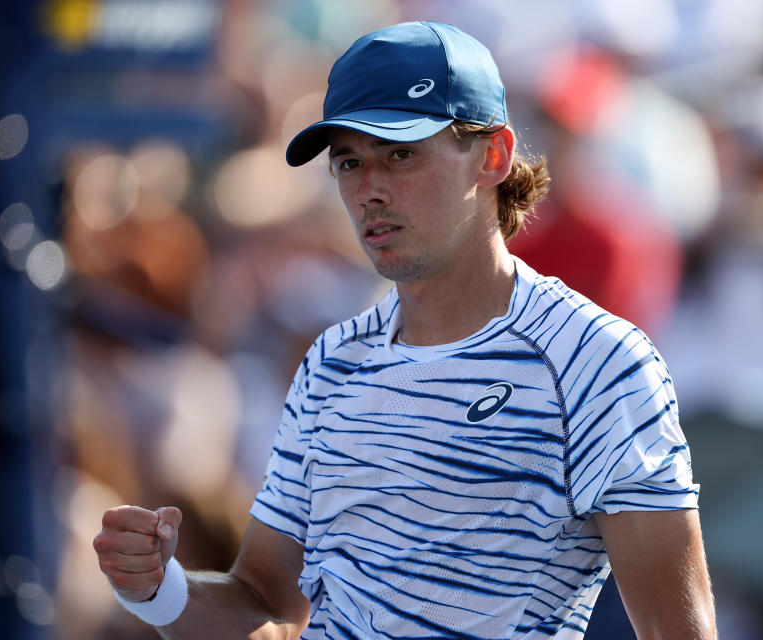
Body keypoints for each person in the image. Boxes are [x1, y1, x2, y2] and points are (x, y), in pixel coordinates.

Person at [93, 21, 717, 639]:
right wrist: (161, 590)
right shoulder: (332, 360)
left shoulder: (600, 362)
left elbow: (679, 629)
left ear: (493, 156)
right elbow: (273, 610)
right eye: (348, 162)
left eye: (400, 154)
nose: (368, 190)